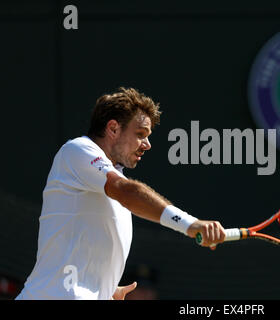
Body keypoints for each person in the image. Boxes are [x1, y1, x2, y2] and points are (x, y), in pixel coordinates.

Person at [15, 87, 225, 300]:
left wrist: (104, 291)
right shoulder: (77, 150)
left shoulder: (112, 180)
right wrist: (189, 224)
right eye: (140, 134)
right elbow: (127, 191)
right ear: (113, 129)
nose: (148, 144)